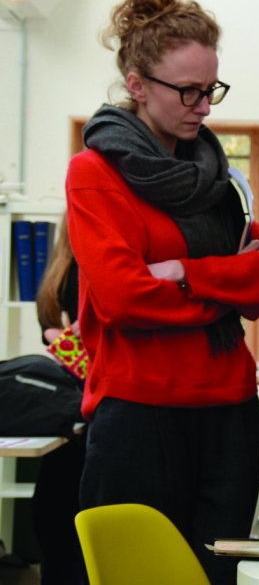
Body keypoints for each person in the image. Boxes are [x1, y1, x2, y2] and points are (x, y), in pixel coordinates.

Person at [66, 0, 259, 585]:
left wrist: (188, 276)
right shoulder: (94, 174)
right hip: (139, 414)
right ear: (137, 85)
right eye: (188, 90)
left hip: (230, 414)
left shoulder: (218, 179)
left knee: (217, 578)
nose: (204, 106)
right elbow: (122, 298)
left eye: (210, 88)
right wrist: (224, 294)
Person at [32, 217, 86, 585]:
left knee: (67, 510)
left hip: (101, 399)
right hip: (73, 393)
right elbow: (48, 325)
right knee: (51, 510)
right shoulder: (64, 265)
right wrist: (61, 334)